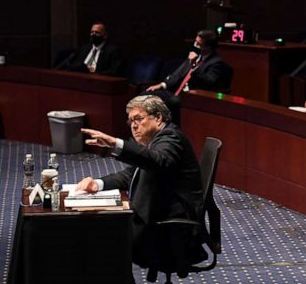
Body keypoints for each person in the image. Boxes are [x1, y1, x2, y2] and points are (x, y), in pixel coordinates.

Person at [74, 94, 205, 269]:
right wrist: (97, 184)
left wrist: (116, 144)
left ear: (158, 118)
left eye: (138, 119)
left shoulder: (171, 139)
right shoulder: (155, 141)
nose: (134, 126)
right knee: (101, 235)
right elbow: (130, 175)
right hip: (157, 219)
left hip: (170, 230)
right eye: (130, 121)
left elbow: (157, 161)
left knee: (101, 239)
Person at [147, 30, 232, 96]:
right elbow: (177, 74)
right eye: (195, 42)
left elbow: (208, 82)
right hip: (175, 92)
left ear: (208, 47)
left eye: (198, 44)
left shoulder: (217, 63)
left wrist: (194, 65)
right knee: (147, 94)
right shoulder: (195, 55)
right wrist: (161, 85)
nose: (195, 45)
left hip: (192, 96)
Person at [57, 22, 126, 77]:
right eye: (92, 32)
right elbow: (75, 65)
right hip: (81, 79)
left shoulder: (113, 50)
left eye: (97, 32)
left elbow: (114, 72)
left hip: (100, 81)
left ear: (105, 35)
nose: (93, 34)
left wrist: (94, 73)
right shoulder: (84, 48)